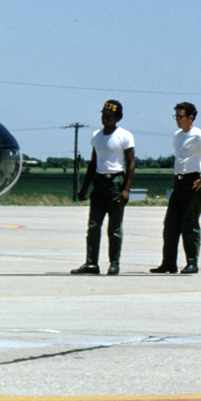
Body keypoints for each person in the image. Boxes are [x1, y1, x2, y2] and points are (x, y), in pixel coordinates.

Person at [152, 102, 201, 274]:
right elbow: (180, 158)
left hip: (193, 183)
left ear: (190, 117)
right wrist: (175, 178)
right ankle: (168, 263)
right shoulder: (177, 135)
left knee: (189, 225)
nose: (177, 120)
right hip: (180, 183)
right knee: (170, 225)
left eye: (180, 116)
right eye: (176, 116)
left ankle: (192, 262)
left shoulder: (199, 135)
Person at [73, 99, 134, 275]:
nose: (105, 118)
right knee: (93, 226)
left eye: (109, 116)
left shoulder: (124, 136)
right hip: (99, 183)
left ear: (118, 118)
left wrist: (126, 189)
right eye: (103, 115)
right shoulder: (96, 136)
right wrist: (85, 188)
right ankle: (91, 263)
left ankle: (114, 263)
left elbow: (130, 163)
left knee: (114, 228)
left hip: (116, 183)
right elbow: (93, 163)